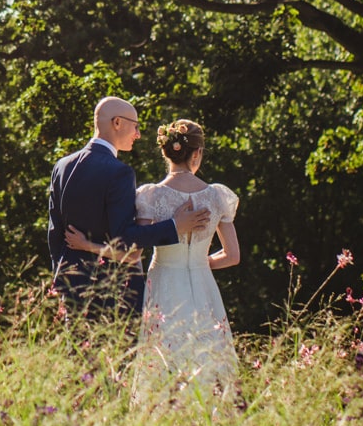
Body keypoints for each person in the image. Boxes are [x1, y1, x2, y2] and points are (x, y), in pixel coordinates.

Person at [66, 117, 241, 402]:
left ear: (166, 153)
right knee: (208, 354)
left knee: (164, 355)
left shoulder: (151, 195)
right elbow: (232, 256)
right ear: (197, 153)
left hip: (164, 284)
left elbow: (133, 252)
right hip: (203, 285)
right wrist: (199, 265)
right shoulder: (217, 197)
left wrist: (89, 246)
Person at [47, 97, 210, 318]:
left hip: (72, 289)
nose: (138, 134)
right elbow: (124, 238)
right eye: (136, 126)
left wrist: (62, 278)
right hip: (113, 293)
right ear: (117, 123)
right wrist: (175, 226)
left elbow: (55, 233)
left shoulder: (62, 166)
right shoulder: (119, 172)